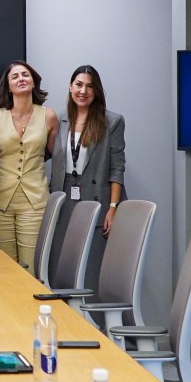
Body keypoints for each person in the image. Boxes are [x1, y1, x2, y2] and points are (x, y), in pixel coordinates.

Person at [48, 64, 126, 291]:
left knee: (92, 267)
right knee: (63, 265)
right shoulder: (59, 120)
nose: (83, 91)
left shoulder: (112, 121)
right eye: (79, 85)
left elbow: (117, 167)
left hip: (97, 201)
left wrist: (113, 207)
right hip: (65, 201)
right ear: (70, 87)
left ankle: (93, 324)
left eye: (90, 86)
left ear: (97, 91)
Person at [0, 61, 58, 272]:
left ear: (33, 81)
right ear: (8, 86)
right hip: (0, 201)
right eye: (15, 76)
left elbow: (56, 157)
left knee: (32, 268)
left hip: (35, 200)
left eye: (25, 74)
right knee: (4, 270)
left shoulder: (49, 116)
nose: (21, 79)